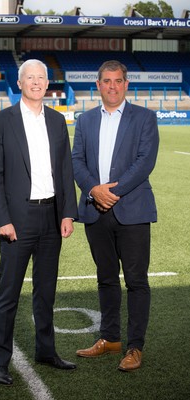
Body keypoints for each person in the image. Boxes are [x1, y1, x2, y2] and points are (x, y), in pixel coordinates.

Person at [0, 59, 78, 385]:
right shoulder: (0, 122)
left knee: (45, 292)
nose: (37, 82)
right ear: (20, 83)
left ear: (47, 83)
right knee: (8, 294)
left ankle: (46, 351)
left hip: (51, 217)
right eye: (30, 78)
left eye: (42, 77)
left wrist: (68, 212)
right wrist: (3, 221)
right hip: (17, 221)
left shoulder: (56, 120)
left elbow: (65, 170)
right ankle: (0, 359)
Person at [72, 60, 159, 371]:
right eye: (106, 81)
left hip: (133, 211)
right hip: (96, 212)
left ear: (126, 84)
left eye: (117, 81)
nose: (112, 86)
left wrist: (112, 192)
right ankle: (109, 339)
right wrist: (94, 190)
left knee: (136, 281)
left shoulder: (145, 117)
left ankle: (135, 347)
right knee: (105, 279)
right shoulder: (84, 120)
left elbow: (145, 161)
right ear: (98, 85)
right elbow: (76, 160)